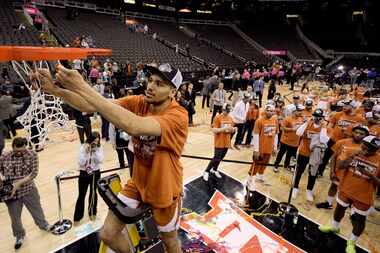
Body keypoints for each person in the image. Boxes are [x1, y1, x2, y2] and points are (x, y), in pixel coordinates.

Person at [35, 63, 188, 253]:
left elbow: (134, 125)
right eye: (150, 80)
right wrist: (56, 90)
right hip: (138, 183)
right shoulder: (140, 101)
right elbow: (92, 104)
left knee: (170, 242)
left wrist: (81, 85)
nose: (150, 86)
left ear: (172, 91)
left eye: (159, 84)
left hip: (165, 187)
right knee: (107, 234)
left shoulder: (178, 116)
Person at [319, 135, 380, 253]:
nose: (368, 150)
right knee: (339, 209)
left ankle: (352, 242)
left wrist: (371, 176)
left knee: (360, 219)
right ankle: (334, 227)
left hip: (364, 195)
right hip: (346, 188)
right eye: (366, 146)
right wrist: (352, 157)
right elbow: (340, 166)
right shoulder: (354, 153)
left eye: (372, 148)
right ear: (362, 144)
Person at [0, 137, 51, 249]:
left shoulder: (32, 155)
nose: (19, 153)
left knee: (37, 209)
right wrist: (2, 180)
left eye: (22, 151)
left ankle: (44, 225)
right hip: (12, 195)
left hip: (29, 189)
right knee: (15, 218)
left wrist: (17, 184)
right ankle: (19, 236)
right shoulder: (4, 156)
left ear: (26, 147)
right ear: (12, 146)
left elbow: (33, 173)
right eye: (16, 150)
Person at [316, 125, 369, 209]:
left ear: (366, 136)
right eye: (356, 132)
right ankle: (328, 203)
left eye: (361, 133)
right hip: (339, 171)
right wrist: (332, 171)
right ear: (352, 132)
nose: (358, 135)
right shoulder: (342, 142)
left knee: (348, 193)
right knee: (333, 186)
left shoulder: (367, 149)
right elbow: (334, 157)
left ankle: (345, 207)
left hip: (352, 176)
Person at [292, 109, 329, 201]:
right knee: (299, 171)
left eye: (319, 117)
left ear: (322, 118)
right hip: (303, 151)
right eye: (315, 116)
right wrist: (306, 123)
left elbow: (324, 140)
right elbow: (298, 133)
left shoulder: (324, 127)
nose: (317, 118)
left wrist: (323, 127)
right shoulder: (308, 124)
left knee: (312, 173)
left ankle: (309, 190)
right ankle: (295, 187)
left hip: (314, 154)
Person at [247, 103, 278, 189]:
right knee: (256, 164)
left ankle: (260, 176)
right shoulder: (259, 121)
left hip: (269, 147)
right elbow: (256, 135)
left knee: (265, 163)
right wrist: (256, 149)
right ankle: (250, 179)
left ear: (274, 112)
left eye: (271, 111)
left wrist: (275, 147)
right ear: (265, 110)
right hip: (260, 148)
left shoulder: (275, 120)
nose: (269, 112)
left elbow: (276, 134)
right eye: (268, 110)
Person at [73, 132, 103, 223]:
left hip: (95, 173)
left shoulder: (99, 148)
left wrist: (95, 151)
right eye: (94, 142)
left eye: (97, 142)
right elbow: (81, 163)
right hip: (84, 173)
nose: (95, 144)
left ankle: (92, 213)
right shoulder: (83, 147)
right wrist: (86, 152)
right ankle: (78, 216)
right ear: (90, 140)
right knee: (81, 195)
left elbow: (100, 160)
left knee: (93, 194)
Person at [203, 103, 236, 181]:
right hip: (219, 141)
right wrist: (223, 129)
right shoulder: (217, 117)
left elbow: (231, 129)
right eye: (225, 110)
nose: (227, 112)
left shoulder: (230, 118)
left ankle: (214, 169)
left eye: (228, 111)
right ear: (222, 109)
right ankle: (206, 171)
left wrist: (234, 129)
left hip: (226, 142)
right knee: (216, 157)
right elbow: (214, 130)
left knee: (221, 157)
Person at [273, 105, 305, 173]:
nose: (301, 112)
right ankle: (276, 165)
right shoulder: (288, 119)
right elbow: (282, 128)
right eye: (299, 111)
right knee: (281, 153)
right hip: (285, 140)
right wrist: (292, 129)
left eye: (301, 111)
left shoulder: (301, 119)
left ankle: (286, 165)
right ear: (294, 111)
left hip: (295, 142)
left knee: (289, 155)